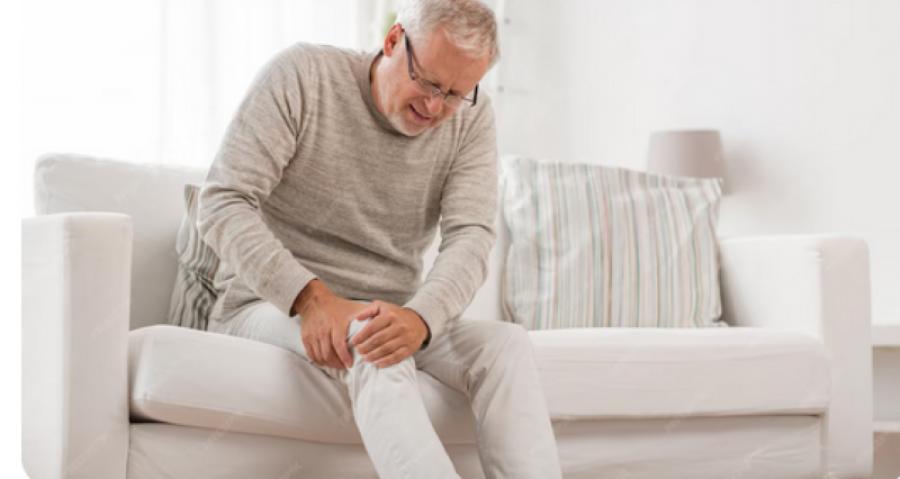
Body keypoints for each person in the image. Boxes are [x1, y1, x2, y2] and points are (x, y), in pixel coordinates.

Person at [197, 0, 562, 477]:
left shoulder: (471, 119)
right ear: (393, 40)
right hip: (268, 306)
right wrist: (312, 299)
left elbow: (470, 235)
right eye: (428, 82)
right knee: (370, 343)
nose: (435, 107)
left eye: (456, 94)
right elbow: (222, 202)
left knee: (506, 345)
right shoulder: (304, 76)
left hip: (389, 312)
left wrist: (420, 317)